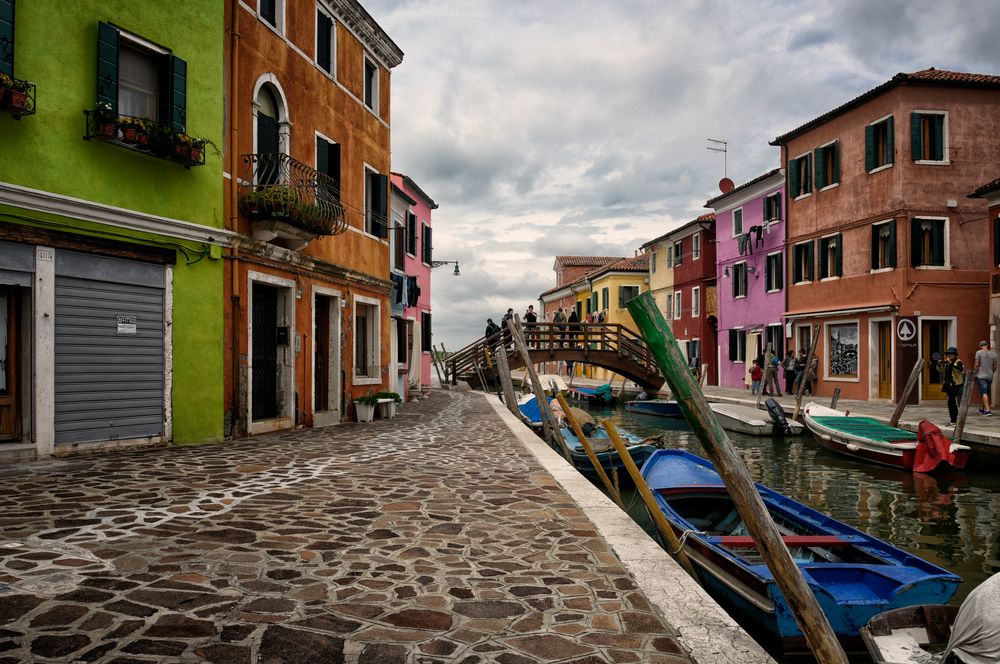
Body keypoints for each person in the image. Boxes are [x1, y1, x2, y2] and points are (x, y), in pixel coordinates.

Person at [940, 346, 965, 426]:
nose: (949, 355)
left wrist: (950, 364)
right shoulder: (947, 362)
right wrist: (940, 365)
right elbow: (941, 371)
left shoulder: (958, 362)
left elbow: (960, 370)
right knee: (951, 403)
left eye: (951, 354)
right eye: (948, 354)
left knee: (957, 403)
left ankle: (957, 421)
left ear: (955, 354)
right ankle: (953, 420)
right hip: (949, 386)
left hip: (957, 385)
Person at [974, 340, 996, 416]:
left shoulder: (978, 352)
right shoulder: (993, 354)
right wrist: (991, 372)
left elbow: (976, 364)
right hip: (990, 376)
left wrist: (975, 372)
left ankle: (988, 410)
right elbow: (995, 366)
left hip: (981, 376)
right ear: (987, 345)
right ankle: (982, 409)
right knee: (985, 393)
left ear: (980, 346)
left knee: (984, 392)